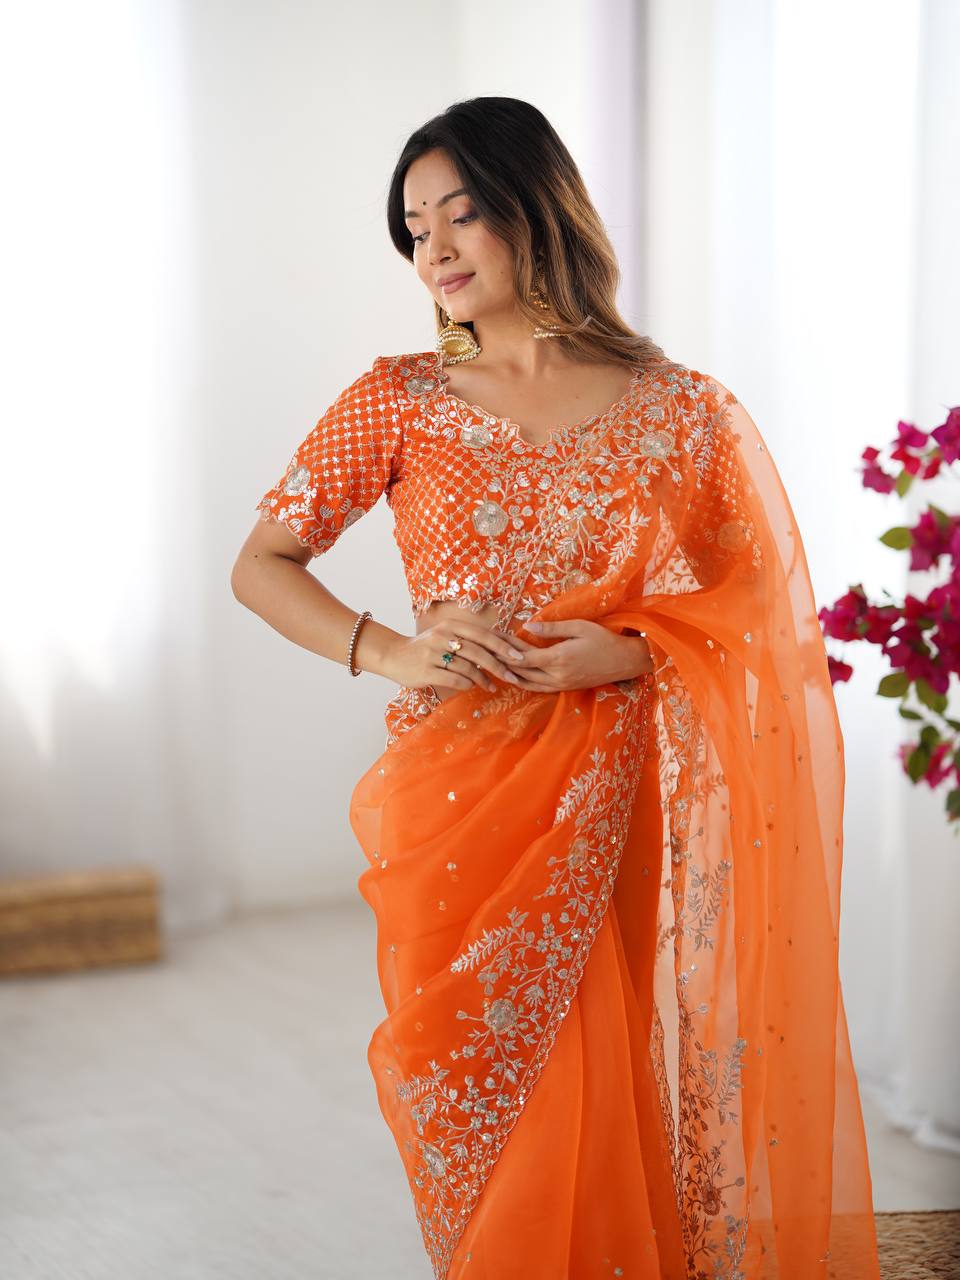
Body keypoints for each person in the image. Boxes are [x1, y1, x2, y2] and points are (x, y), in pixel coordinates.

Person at [231, 97, 881, 1280]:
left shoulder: (678, 405)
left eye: (459, 214)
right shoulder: (400, 396)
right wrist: (394, 650)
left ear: (535, 209)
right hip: (453, 798)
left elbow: (762, 599)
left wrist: (630, 650)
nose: (433, 249)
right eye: (413, 228)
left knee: (596, 1067)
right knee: (469, 1079)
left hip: (608, 794)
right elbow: (263, 564)